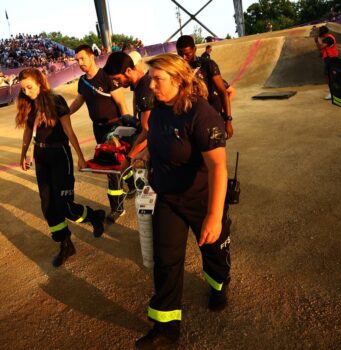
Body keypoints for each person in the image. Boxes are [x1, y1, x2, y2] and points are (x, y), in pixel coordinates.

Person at [134, 54, 231, 349]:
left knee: (213, 252)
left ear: (178, 79)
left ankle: (218, 286)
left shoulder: (202, 114)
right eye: (151, 78)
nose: (152, 85)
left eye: (158, 79)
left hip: (201, 199)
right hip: (167, 199)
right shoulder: (160, 109)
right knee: (166, 262)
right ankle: (166, 327)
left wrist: (214, 217)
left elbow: (218, 168)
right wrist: (143, 155)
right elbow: (157, 140)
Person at [16, 68, 105, 267]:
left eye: (29, 87)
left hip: (60, 156)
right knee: (47, 205)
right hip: (41, 156)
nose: (27, 92)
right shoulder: (28, 105)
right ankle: (65, 244)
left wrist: (81, 158)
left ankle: (93, 215)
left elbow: (69, 131)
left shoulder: (57, 102)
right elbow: (28, 132)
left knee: (65, 205)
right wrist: (24, 155)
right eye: (23, 89)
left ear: (40, 83)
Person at [69, 45, 135, 223]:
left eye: (82, 58)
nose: (80, 63)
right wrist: (65, 113)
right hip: (97, 129)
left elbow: (121, 103)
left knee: (111, 169)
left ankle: (117, 208)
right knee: (117, 163)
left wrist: (125, 131)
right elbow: (79, 100)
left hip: (114, 128)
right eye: (77, 60)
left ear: (91, 57)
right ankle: (133, 184)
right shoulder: (83, 81)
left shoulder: (107, 76)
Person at [176, 35, 233, 139]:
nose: (183, 58)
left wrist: (228, 120)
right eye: (180, 54)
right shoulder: (178, 69)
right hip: (191, 120)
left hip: (212, 117)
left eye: (187, 54)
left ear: (195, 50)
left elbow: (223, 92)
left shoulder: (208, 65)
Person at [104, 51, 154, 166]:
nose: (116, 83)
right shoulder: (139, 85)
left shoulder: (144, 88)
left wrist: (129, 157)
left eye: (117, 78)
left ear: (128, 71)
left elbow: (148, 131)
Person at [314, 25, 339, 100]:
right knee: (331, 76)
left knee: (329, 76)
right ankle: (334, 90)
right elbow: (325, 49)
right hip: (330, 59)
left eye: (319, 32)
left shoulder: (328, 39)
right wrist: (322, 54)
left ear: (323, 32)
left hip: (331, 59)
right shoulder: (328, 38)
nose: (319, 34)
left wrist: (316, 41)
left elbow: (320, 47)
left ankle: (332, 93)